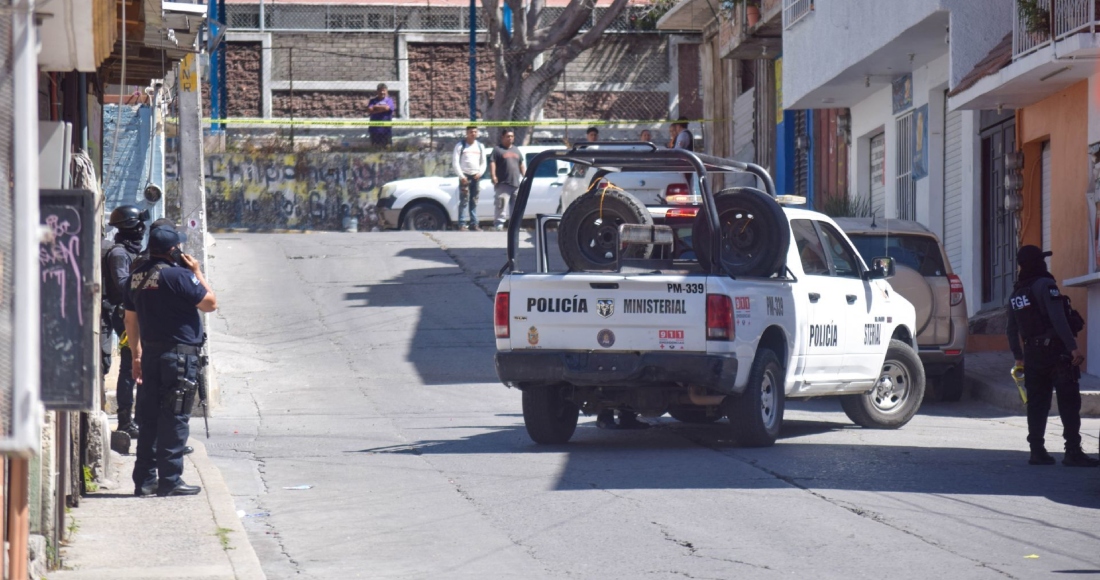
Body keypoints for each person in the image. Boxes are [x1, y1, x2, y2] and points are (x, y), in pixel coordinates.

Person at [124, 226, 218, 496]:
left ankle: (144, 480)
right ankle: (170, 480)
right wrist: (197, 272)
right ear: (174, 250)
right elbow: (210, 303)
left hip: (151, 355)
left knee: (149, 417)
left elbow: (130, 321)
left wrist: (137, 355)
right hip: (179, 357)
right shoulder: (179, 276)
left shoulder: (136, 277)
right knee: (175, 416)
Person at [1006, 245, 1099, 467]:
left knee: (1037, 403)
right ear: (1039, 263)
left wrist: (1019, 356)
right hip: (1056, 353)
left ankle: (1037, 451)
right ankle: (1073, 451)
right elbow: (1059, 319)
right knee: (1068, 401)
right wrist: (1073, 347)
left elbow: (1011, 328)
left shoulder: (1017, 292)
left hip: (1032, 354)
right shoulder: (1045, 285)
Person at [102, 205, 147, 449]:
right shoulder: (120, 253)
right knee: (129, 366)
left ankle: (136, 419)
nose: (142, 230)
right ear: (131, 227)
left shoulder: (128, 252)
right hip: (123, 316)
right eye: (139, 225)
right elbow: (122, 286)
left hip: (131, 314)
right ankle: (124, 421)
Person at [490, 128, 526, 231]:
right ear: (502, 137)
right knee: (501, 203)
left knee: (516, 207)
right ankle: (499, 224)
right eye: (508, 136)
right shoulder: (497, 150)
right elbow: (492, 163)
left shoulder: (516, 150)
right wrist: (493, 176)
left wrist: (525, 175)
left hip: (515, 183)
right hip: (503, 183)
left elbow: (521, 164)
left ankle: (515, 225)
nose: (510, 138)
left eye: (511, 136)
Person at [452, 126, 486, 231]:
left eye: (475, 132)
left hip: (476, 176)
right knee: (464, 201)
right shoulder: (460, 146)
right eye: (471, 132)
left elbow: (483, 162)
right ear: (467, 133)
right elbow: (455, 162)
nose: (473, 134)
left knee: (474, 200)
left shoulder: (480, 146)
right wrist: (461, 176)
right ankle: (462, 224)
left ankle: (474, 223)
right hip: (465, 177)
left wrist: (480, 173)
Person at [367, 83, 395, 148]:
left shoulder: (389, 100)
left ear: (386, 91)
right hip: (375, 129)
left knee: (387, 147)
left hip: (386, 129)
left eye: (384, 90)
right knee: (375, 147)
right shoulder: (373, 100)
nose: (382, 92)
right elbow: (370, 109)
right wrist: (383, 108)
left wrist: (375, 108)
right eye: (380, 90)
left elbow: (387, 108)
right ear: (377, 91)